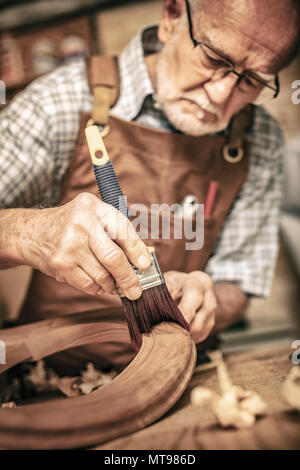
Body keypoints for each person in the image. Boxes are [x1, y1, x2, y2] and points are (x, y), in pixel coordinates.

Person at [0, 0, 299, 365]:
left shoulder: (259, 137)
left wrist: (210, 302)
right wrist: (28, 234)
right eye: (213, 59)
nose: (221, 95)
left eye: (251, 80)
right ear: (172, 17)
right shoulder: (58, 102)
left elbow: (239, 278)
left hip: (178, 371)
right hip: (50, 376)